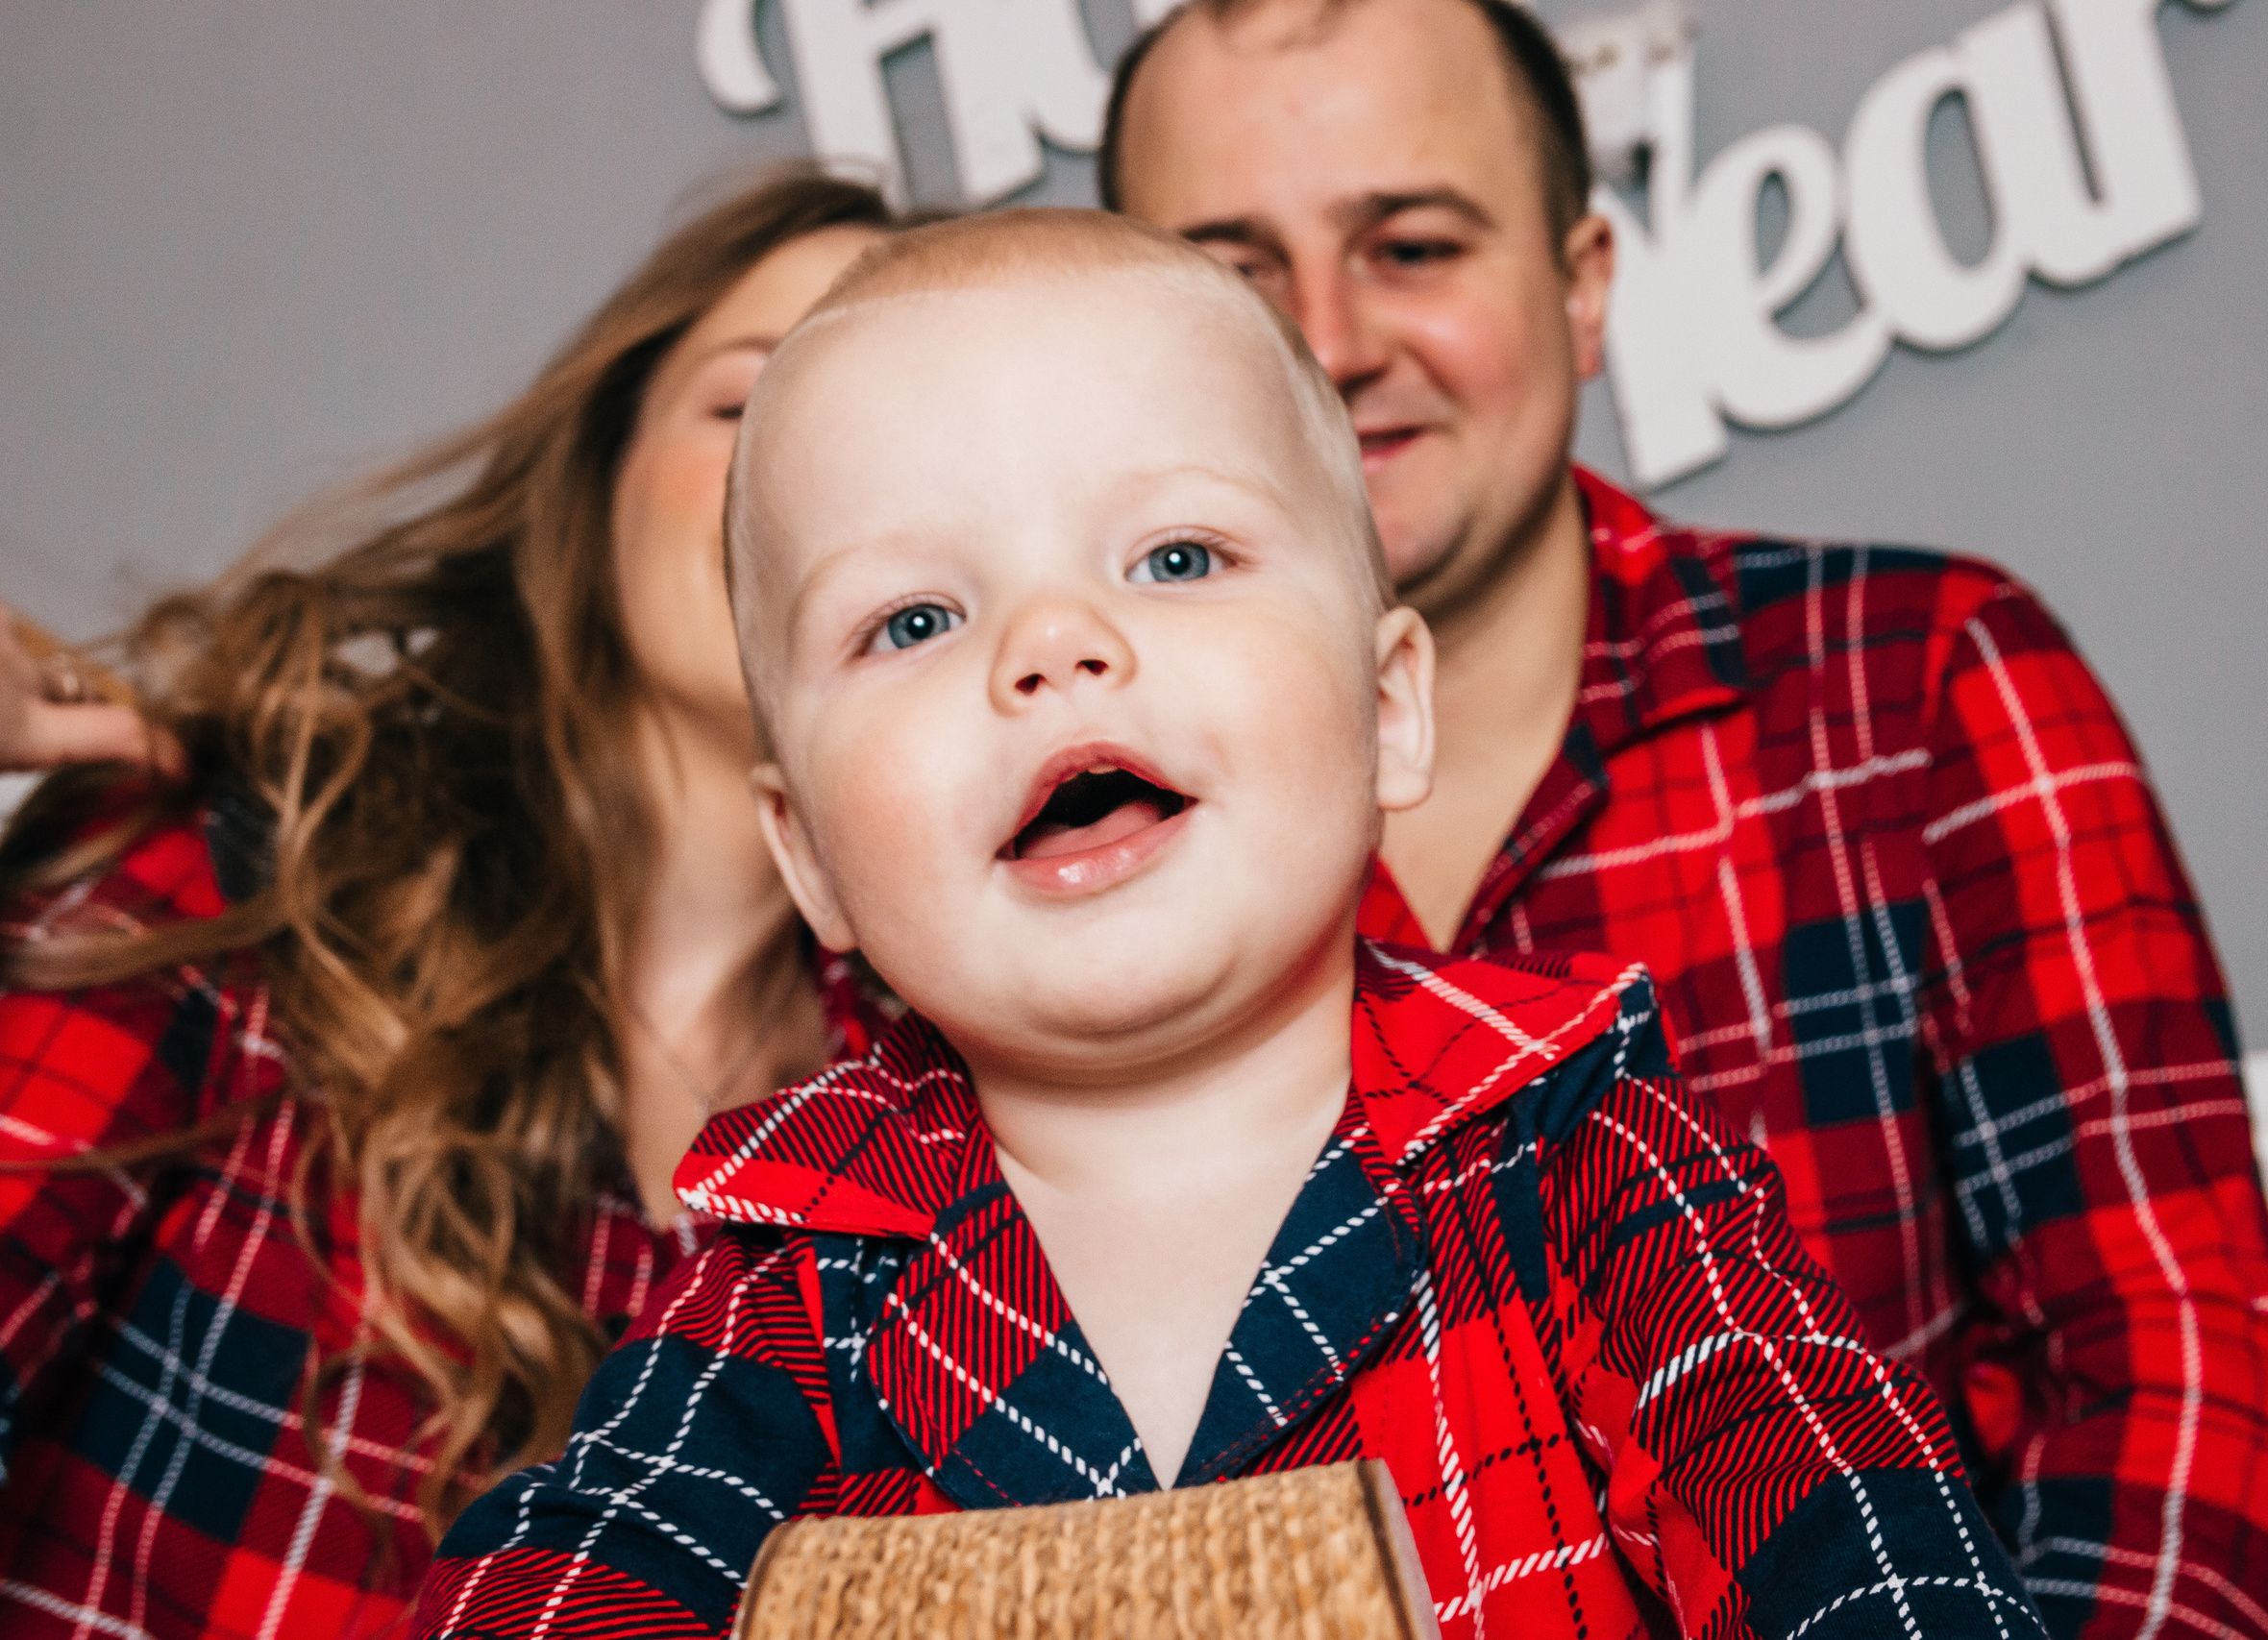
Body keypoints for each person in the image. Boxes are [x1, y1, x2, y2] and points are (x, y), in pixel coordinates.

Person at [411, 208, 2043, 1640]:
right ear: (811, 859)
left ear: (1388, 710)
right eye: (914, 619)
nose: (1054, 646)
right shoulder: (792, 1282)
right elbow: (566, 1582)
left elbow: (1851, 1529)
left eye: (1177, 556)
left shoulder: (1584, 1166)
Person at [1096, 1, 2268, 1634]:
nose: (1329, 340)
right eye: (1236, 276)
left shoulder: (1919, 687)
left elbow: (2170, 1364)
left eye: (1413, 247)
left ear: (1584, 285)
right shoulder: (1049, 835)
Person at [0, 166, 892, 1636]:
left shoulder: (918, 1171)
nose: (810, 483)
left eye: (895, 440)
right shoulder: (248, 872)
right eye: (749, 405)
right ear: (601, 473)